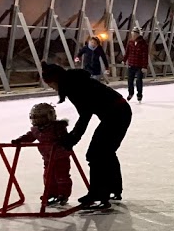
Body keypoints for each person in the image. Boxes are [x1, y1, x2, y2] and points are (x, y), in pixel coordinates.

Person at [41, 62, 132, 211]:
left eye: (50, 84)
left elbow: (85, 115)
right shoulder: (74, 82)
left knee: (96, 154)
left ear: (56, 80)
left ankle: (99, 196)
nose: (51, 87)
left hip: (117, 114)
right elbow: (86, 113)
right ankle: (113, 190)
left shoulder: (74, 87)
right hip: (117, 112)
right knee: (105, 152)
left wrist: (73, 138)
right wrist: (73, 137)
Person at [11, 103, 73, 206]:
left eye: (41, 118)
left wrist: (62, 141)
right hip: (48, 158)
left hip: (60, 157)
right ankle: (51, 193)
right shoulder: (36, 130)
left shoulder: (57, 127)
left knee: (61, 176)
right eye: (35, 118)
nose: (37, 121)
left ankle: (63, 194)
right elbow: (29, 137)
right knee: (48, 176)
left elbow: (64, 137)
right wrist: (19, 141)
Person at [124, 27, 149, 103]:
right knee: (130, 80)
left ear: (138, 35)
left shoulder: (143, 43)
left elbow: (145, 55)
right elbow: (127, 52)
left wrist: (144, 66)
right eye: (132, 34)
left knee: (138, 80)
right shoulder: (130, 42)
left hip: (139, 65)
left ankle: (139, 94)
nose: (133, 36)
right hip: (131, 64)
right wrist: (124, 60)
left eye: (134, 34)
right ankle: (130, 93)